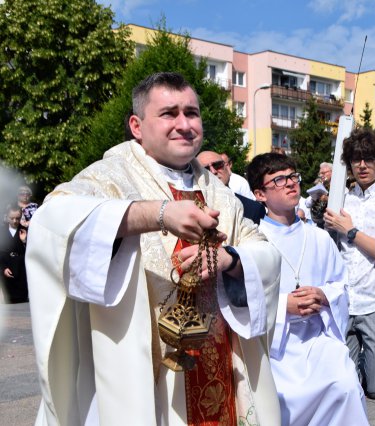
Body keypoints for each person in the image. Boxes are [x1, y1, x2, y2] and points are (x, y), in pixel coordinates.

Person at [25, 72, 281, 425]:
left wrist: (230, 260)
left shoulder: (219, 191)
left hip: (220, 364)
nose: (184, 124)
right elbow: (52, 222)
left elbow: (264, 250)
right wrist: (156, 214)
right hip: (146, 374)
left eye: (191, 113)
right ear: (136, 125)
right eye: (168, 114)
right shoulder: (109, 176)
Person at [245, 152, 368, 425]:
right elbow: (241, 298)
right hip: (274, 345)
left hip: (316, 337)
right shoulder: (252, 240)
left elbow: (340, 284)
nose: (290, 183)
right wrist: (281, 305)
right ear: (259, 194)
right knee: (280, 395)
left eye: (292, 176)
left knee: (345, 382)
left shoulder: (319, 237)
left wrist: (324, 295)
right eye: (278, 180)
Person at [324, 128, 375, 400]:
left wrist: (351, 231)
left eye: (369, 158)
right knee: (345, 385)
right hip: (345, 298)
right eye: (356, 159)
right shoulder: (340, 198)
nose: (362, 165)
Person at [197, 150, 266, 223]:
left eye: (217, 165)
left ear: (227, 168)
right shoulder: (192, 211)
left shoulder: (254, 209)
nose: (213, 171)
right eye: (205, 169)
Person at [1, 204, 28, 303]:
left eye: (17, 218)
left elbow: (32, 251)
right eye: (12, 218)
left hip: (21, 270)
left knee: (22, 300)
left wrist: (24, 241)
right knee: (10, 301)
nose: (15, 221)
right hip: (7, 268)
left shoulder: (24, 230)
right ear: (7, 217)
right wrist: (3, 268)